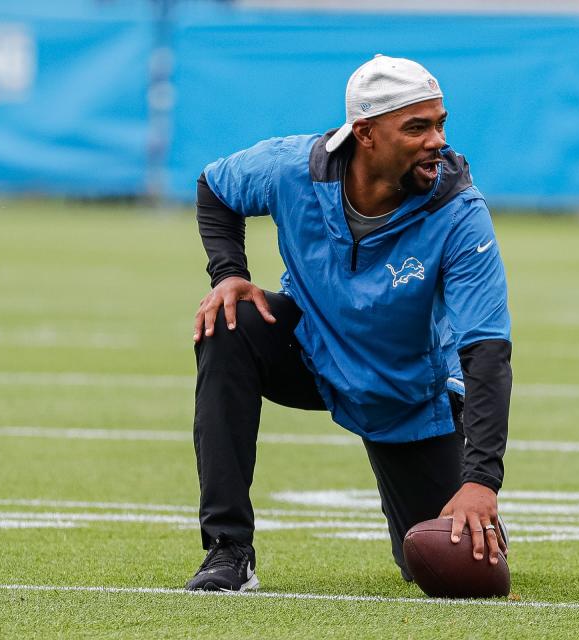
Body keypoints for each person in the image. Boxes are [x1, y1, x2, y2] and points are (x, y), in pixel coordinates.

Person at [186, 54, 512, 592]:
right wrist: (228, 274)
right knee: (228, 321)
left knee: (448, 567)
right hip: (312, 350)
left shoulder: (460, 211)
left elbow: (487, 350)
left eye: (440, 123)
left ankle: (472, 508)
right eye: (417, 127)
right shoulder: (290, 168)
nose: (438, 141)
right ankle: (228, 550)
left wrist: (481, 482)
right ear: (364, 133)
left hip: (406, 392)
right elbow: (215, 188)